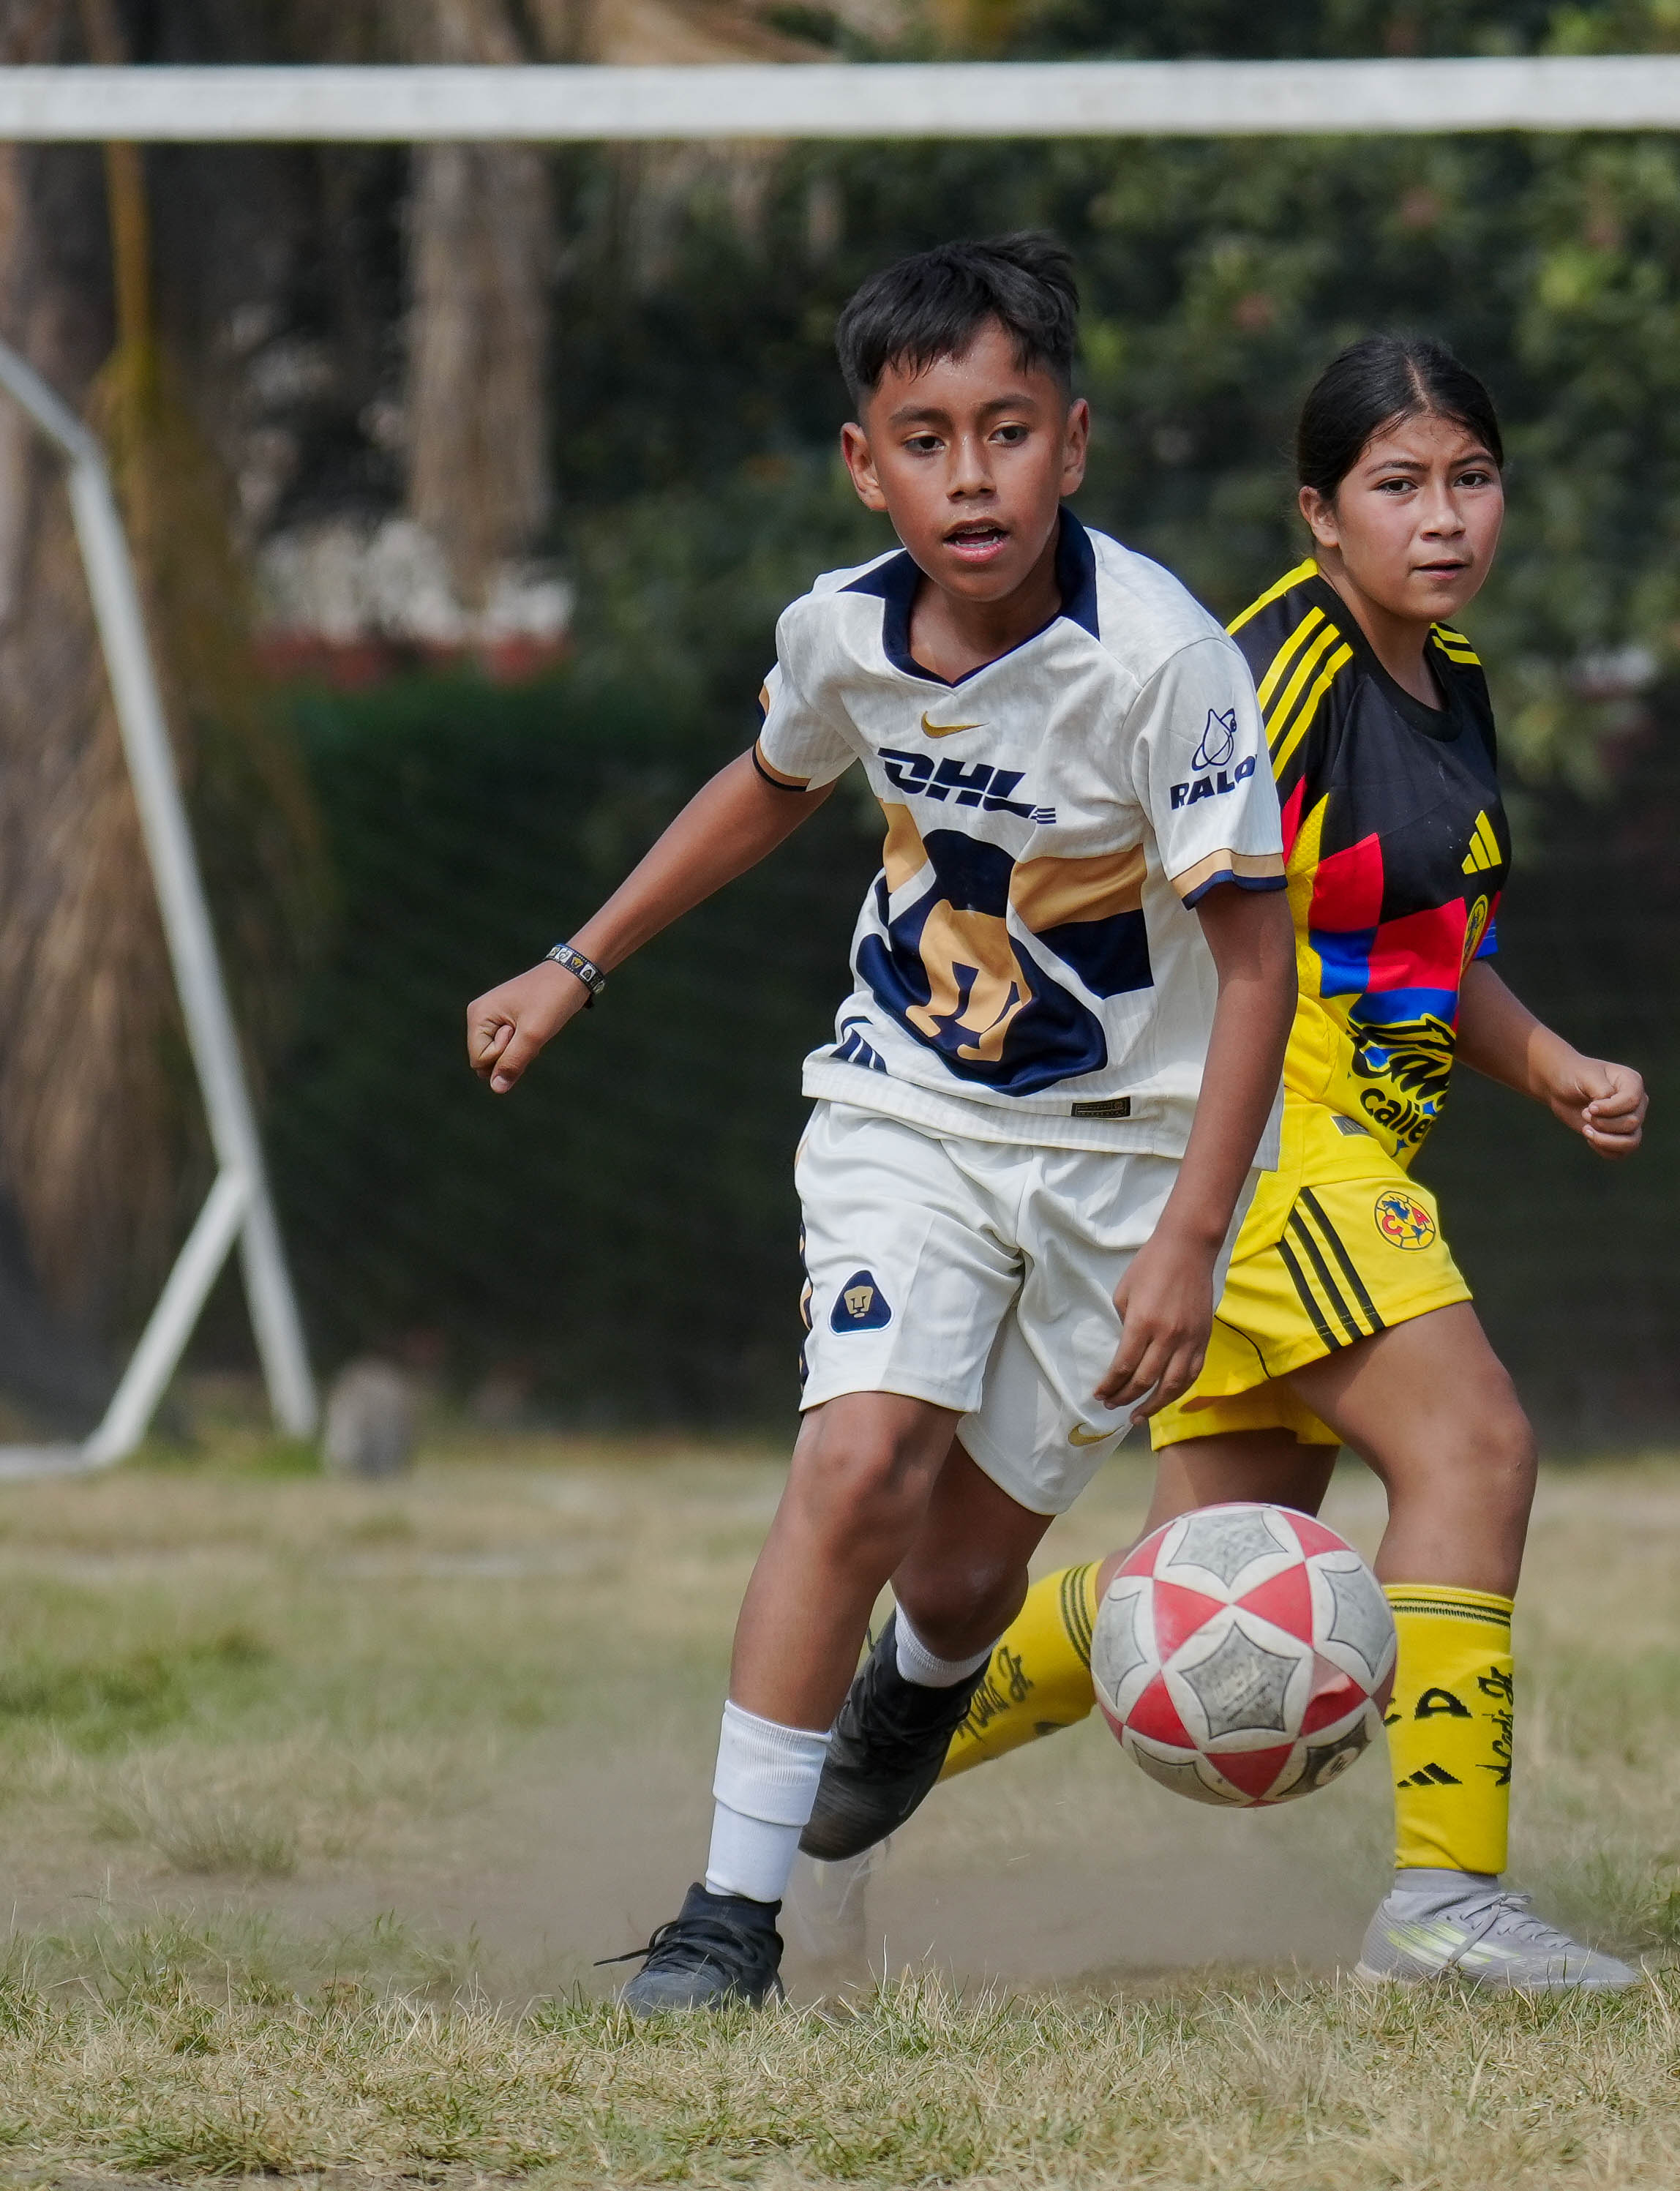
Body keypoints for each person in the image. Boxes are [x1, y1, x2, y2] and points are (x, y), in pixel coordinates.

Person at [465, 234, 1296, 2013]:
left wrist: (1186, 1237)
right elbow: (769, 784)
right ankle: (722, 1920)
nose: (968, 474)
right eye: (925, 438)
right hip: (904, 1104)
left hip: (1124, 1160)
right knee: (853, 1468)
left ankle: (916, 1683)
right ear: (867, 464)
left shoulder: (1162, 664)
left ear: (1071, 444)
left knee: (966, 1565)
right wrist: (573, 962)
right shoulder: (842, 630)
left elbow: (1255, 968)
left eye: (1007, 431)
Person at [796, 335, 1649, 1993]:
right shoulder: (1269, 671)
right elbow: (1129, 877)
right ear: (1318, 516)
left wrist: (1548, 1065)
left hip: (1313, 1148)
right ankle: (1443, 1909)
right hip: (1265, 1149)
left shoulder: (1444, 674)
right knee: (1473, 1448)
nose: (1442, 517)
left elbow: (1410, 940)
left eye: (1468, 478)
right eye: (1396, 486)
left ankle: (820, 1803)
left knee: (1204, 1585)